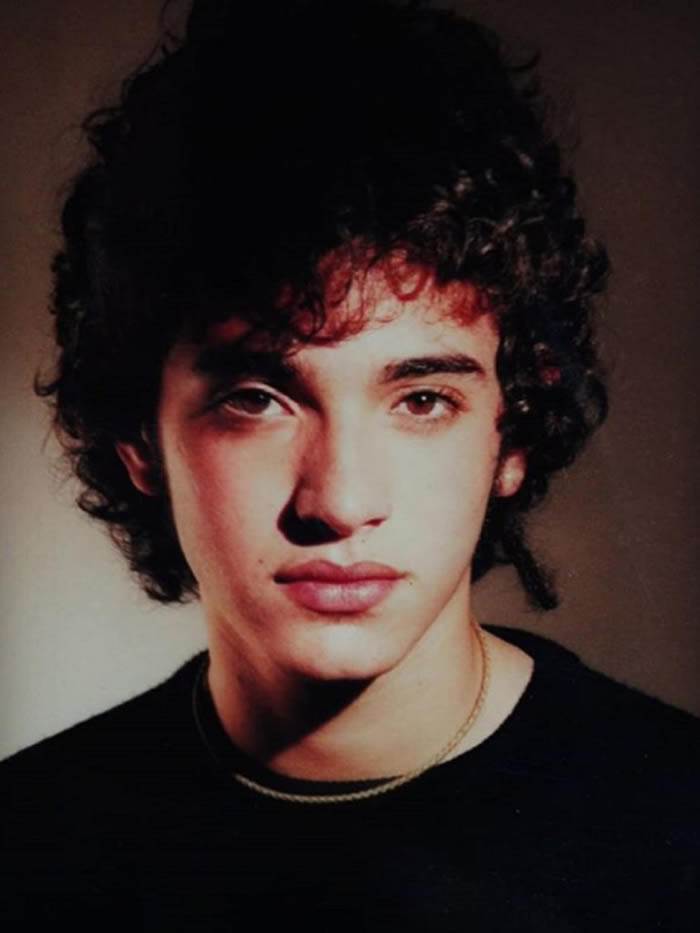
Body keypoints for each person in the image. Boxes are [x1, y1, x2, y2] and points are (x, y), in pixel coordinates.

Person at [2, 0, 697, 928]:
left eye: (423, 400)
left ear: (513, 435)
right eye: (257, 399)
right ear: (138, 438)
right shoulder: (28, 848)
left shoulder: (679, 829)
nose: (340, 499)